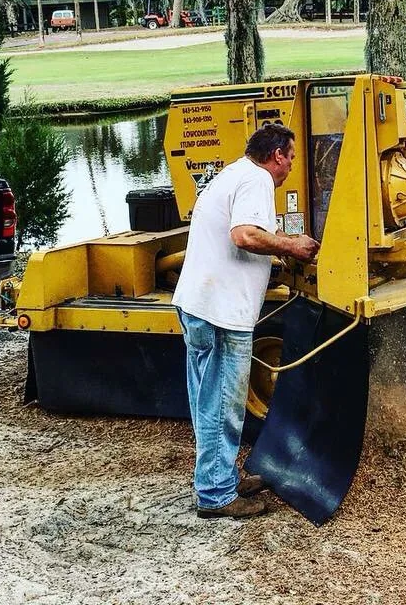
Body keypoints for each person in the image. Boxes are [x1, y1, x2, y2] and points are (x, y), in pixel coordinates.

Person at [173, 122, 320, 519]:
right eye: (291, 157)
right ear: (277, 156)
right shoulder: (257, 180)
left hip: (199, 304)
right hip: (222, 312)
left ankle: (217, 479)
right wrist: (291, 245)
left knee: (208, 402)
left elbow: (239, 238)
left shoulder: (234, 173)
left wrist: (276, 255)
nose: (291, 165)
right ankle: (217, 497)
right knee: (223, 405)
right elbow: (242, 235)